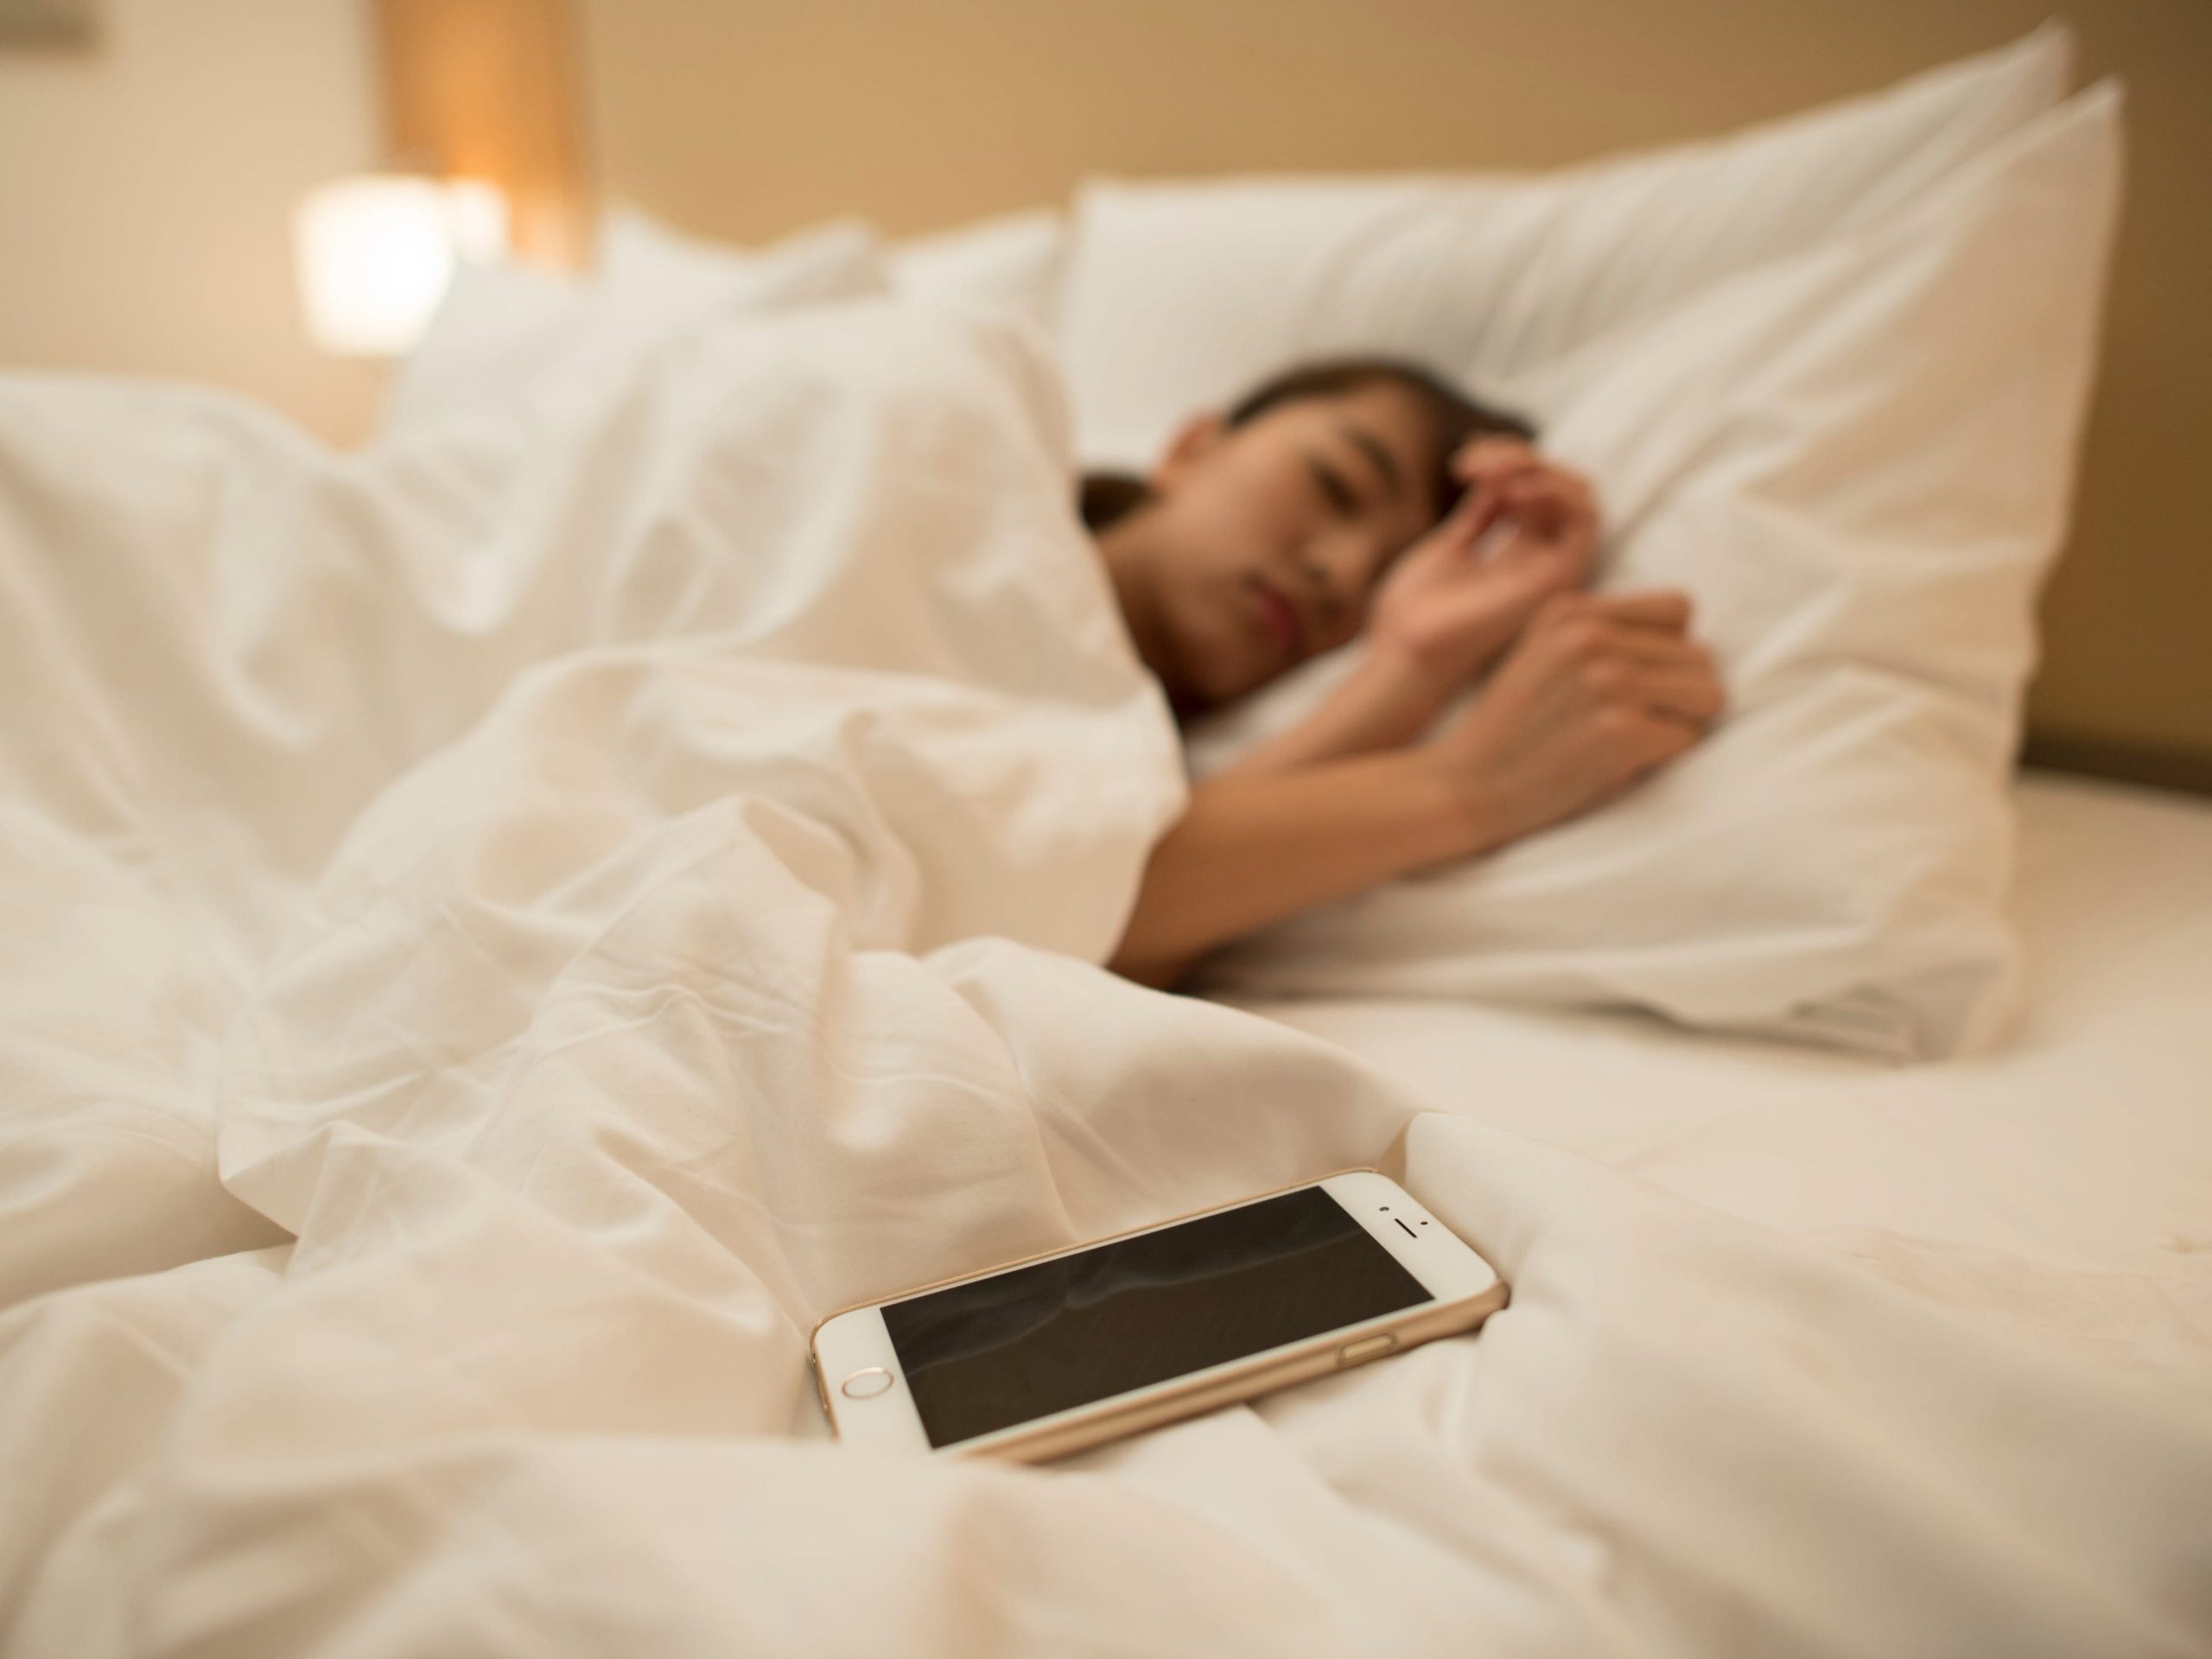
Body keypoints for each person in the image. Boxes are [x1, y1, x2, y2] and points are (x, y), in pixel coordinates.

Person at [1090, 359, 1725, 989]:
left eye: (1383, 577)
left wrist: (1416, 663)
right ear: (1193, 447)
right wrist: (1476, 784)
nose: (1341, 574)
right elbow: (1079, 901)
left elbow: (1095, 913)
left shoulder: (1117, 751)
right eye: (1336, 484)